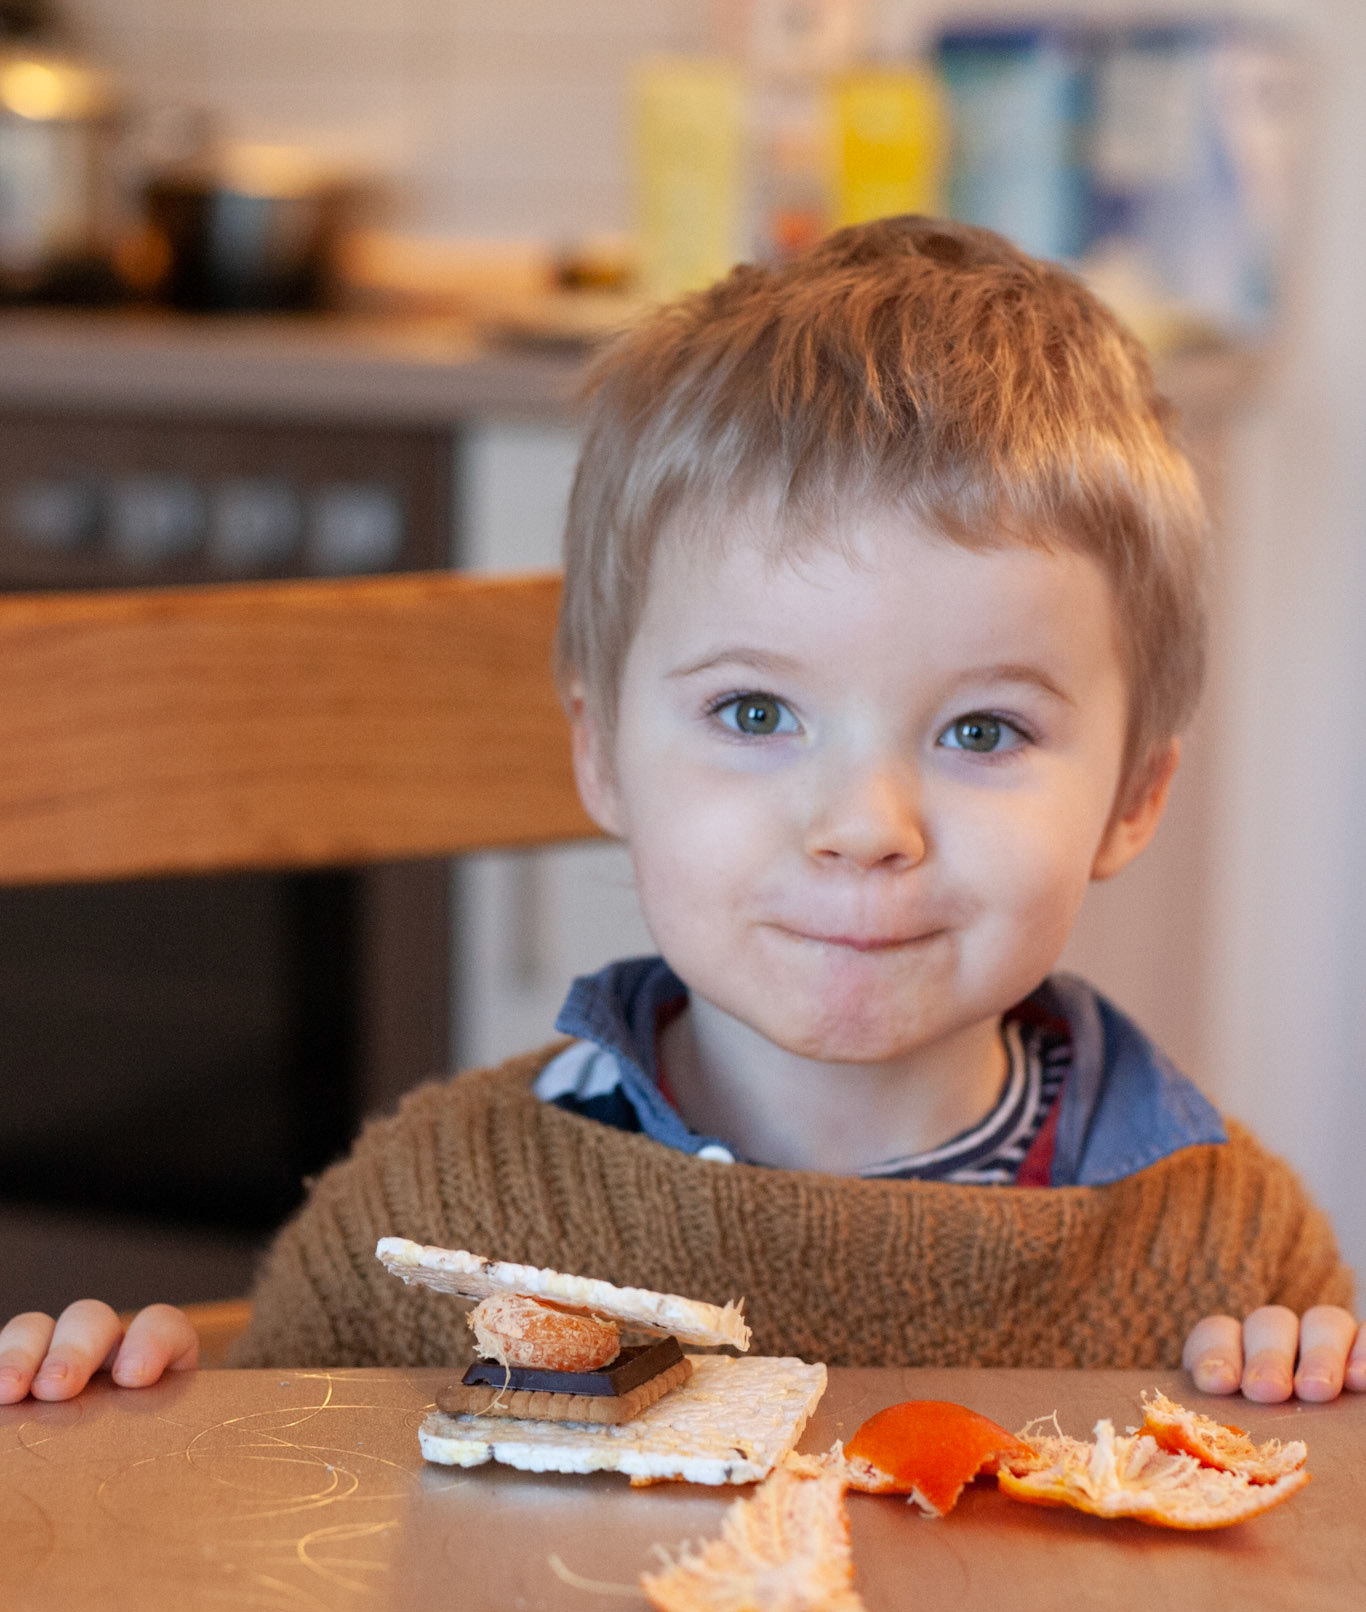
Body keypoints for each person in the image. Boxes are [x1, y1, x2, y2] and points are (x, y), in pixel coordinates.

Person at [2, 215, 1360, 1410]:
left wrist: (1319, 1410)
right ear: (600, 757)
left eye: (980, 730)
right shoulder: (436, 1209)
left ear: (1132, 799)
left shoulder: (1228, 1263)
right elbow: (261, 1566)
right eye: (755, 715)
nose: (861, 825)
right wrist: (132, 1419)